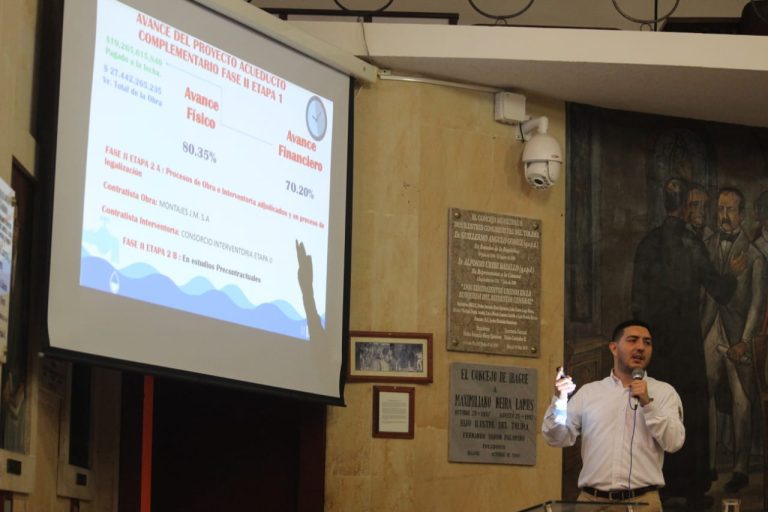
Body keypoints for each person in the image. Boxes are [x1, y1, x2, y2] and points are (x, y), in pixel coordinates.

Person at [631, 177, 736, 508]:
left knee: (655, 407)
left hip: (655, 346)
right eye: (696, 205)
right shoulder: (692, 244)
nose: (699, 211)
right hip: (687, 344)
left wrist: (642, 344)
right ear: (685, 207)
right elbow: (720, 291)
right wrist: (733, 272)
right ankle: (692, 487)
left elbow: (636, 302)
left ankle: (658, 483)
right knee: (688, 409)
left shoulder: (647, 243)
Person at [542, 320, 685, 512]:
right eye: (633, 340)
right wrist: (559, 401)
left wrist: (648, 403)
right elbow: (556, 437)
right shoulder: (590, 393)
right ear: (614, 348)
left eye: (647, 342)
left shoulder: (664, 392)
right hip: (591, 503)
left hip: (643, 503)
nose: (641, 347)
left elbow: (674, 442)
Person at [700, 187, 766, 493]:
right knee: (706, 394)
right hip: (710, 328)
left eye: (730, 210)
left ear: (741, 214)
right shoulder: (707, 246)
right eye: (721, 209)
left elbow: (757, 304)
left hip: (739, 334)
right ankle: (709, 463)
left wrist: (745, 340)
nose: (724, 216)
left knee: (742, 399)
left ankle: (740, 468)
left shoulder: (755, 256)